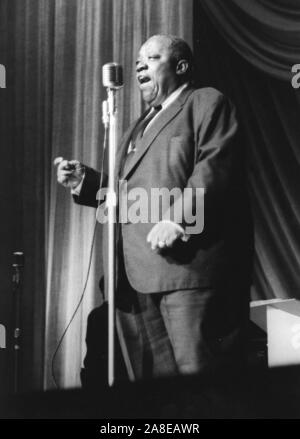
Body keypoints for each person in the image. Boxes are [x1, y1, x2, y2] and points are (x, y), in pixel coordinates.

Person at [57, 35, 253, 383]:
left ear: (181, 66)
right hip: (137, 281)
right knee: (159, 395)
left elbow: (215, 165)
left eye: (152, 57)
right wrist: (85, 183)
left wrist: (177, 219)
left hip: (188, 272)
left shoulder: (205, 102)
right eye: (137, 60)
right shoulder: (137, 126)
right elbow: (129, 194)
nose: (139, 65)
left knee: (202, 385)